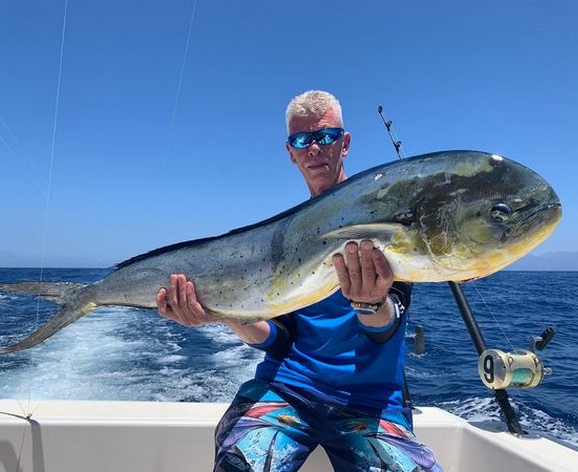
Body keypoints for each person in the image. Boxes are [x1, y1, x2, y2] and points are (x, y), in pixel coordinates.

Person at [157, 90, 442, 472]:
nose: (314, 148)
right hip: (285, 392)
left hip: (371, 405)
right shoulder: (282, 239)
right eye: (302, 140)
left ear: (345, 143)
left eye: (325, 136)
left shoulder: (384, 219)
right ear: (290, 152)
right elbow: (280, 339)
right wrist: (224, 314)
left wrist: (371, 304)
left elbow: (388, 320)